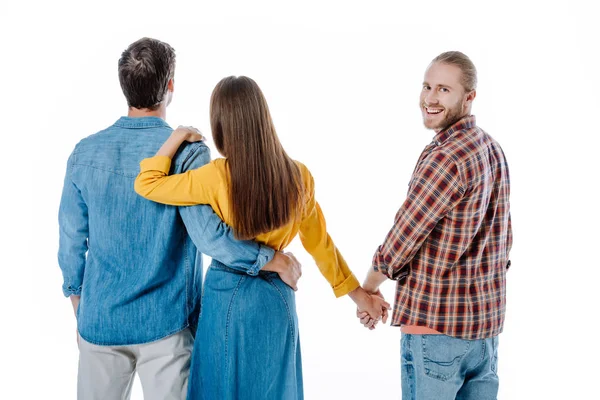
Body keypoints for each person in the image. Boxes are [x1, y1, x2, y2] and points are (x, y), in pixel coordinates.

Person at [58, 38, 300, 400]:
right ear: (170, 86)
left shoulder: (84, 153)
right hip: (167, 325)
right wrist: (272, 258)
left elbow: (71, 243)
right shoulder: (188, 152)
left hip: (100, 322)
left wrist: (81, 307)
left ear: (123, 86)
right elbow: (209, 237)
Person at [134, 75, 390, 400]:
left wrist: (178, 135)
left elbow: (147, 183)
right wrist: (360, 296)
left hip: (226, 297)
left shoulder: (214, 177)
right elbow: (321, 245)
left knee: (220, 388)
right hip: (277, 299)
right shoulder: (299, 177)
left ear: (220, 125)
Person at [359, 51, 512, 400]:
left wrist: (368, 289)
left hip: (437, 329)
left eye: (444, 89)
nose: (429, 98)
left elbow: (403, 237)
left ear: (469, 96)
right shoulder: (492, 150)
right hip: (485, 333)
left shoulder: (446, 155)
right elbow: (503, 240)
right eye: (427, 86)